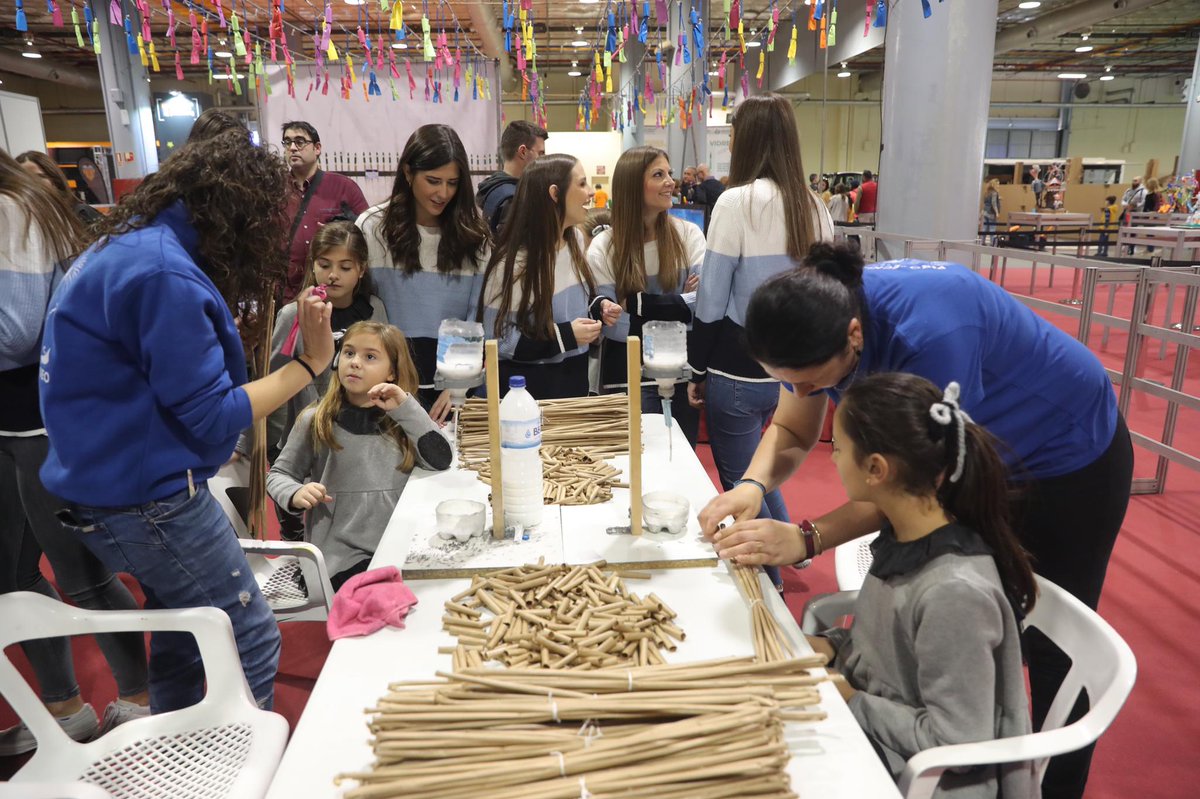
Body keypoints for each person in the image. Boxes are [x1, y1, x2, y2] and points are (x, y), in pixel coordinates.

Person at [701, 241, 1133, 799]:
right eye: (789, 381)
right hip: (968, 455)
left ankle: (1049, 786)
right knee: (954, 613)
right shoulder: (815, 320)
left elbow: (912, 482)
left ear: (855, 336)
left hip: (1068, 453)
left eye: (811, 382)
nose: (804, 394)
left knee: (1050, 654)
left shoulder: (930, 334)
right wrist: (753, 488)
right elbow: (792, 430)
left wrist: (808, 537)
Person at [39, 129, 337, 714]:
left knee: (184, 633)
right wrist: (308, 364)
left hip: (116, 485)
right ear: (236, 215)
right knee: (246, 633)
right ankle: (235, 764)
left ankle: (178, 748)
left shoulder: (127, 247)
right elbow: (210, 414)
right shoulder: (162, 273)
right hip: (149, 497)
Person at [811, 373, 1039, 799]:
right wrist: (833, 645)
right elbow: (890, 651)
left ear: (876, 468)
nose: (832, 459)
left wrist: (851, 700)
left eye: (838, 449)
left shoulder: (954, 593)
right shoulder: (903, 534)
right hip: (878, 742)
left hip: (921, 780)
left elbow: (958, 743)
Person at [0, 149, 150, 752]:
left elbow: (15, 332)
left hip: (44, 421)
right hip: (17, 421)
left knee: (79, 573)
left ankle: (140, 696)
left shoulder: (13, 210)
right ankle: (65, 707)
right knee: (11, 577)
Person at [686, 92, 835, 588]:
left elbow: (711, 299)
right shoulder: (815, 206)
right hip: (803, 374)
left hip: (738, 366)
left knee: (741, 480)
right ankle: (794, 547)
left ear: (743, 141)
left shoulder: (735, 201)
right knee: (763, 471)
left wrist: (696, 366)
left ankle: (766, 581)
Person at [267, 322, 451, 589]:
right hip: (340, 558)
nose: (354, 363)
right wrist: (295, 493)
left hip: (401, 546)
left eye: (370, 357)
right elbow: (279, 475)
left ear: (392, 372)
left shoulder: (404, 418)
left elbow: (441, 459)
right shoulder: (315, 419)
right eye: (349, 353)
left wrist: (406, 408)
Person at [255, 220, 387, 541]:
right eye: (324, 265)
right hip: (300, 441)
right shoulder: (294, 315)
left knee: (337, 523)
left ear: (361, 270)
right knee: (296, 530)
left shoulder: (374, 311)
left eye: (345, 267)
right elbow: (272, 380)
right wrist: (257, 446)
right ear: (312, 265)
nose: (333, 275)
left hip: (354, 440)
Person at [357, 124, 489, 420]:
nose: (443, 193)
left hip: (452, 394)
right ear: (407, 172)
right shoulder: (372, 227)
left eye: (453, 183)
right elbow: (361, 311)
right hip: (384, 386)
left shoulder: (475, 236)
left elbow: (478, 315)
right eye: (433, 180)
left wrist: (458, 386)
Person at [587, 146, 705, 445]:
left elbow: (702, 305)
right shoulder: (604, 246)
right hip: (624, 375)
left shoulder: (689, 235)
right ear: (632, 185)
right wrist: (678, 306)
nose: (670, 182)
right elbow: (611, 322)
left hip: (679, 375)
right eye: (658, 174)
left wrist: (639, 304)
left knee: (679, 465)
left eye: (669, 174)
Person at [479, 153, 619, 400]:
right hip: (529, 400)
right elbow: (500, 341)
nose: (590, 193)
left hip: (573, 391)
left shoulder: (574, 240)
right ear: (555, 194)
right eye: (582, 183)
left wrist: (598, 307)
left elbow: (572, 306)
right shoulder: (514, 263)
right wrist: (566, 336)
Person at [281, 120, 369, 303]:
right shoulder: (274, 189)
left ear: (317, 148)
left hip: (332, 293)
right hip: (286, 294)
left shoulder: (344, 187)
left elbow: (366, 232)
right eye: (287, 142)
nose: (293, 148)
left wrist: (341, 228)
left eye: (300, 141)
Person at [477, 120, 548, 234]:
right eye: (540, 153)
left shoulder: (493, 187)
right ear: (523, 151)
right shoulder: (513, 199)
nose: (544, 159)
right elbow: (515, 250)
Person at [15, 150, 103, 226]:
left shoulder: (81, 214)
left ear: (55, 180)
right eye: (25, 178)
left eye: (39, 177)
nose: (33, 183)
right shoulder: (20, 220)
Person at [981, 179, 1001, 243]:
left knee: (984, 228)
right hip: (991, 213)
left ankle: (982, 242)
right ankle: (992, 243)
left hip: (984, 212)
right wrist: (997, 212)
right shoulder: (994, 192)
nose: (998, 186)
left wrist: (999, 198)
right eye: (997, 184)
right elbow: (993, 203)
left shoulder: (987, 192)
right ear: (994, 185)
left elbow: (986, 202)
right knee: (992, 228)